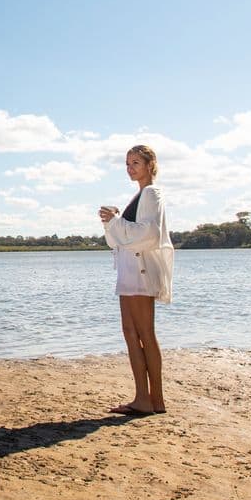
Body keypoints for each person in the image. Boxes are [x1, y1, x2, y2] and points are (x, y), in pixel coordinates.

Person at [98, 144, 174, 416]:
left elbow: (149, 234)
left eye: (136, 163)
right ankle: (143, 397)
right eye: (128, 164)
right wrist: (111, 222)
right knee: (131, 333)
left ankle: (156, 399)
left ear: (150, 165)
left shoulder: (152, 193)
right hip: (129, 271)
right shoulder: (140, 195)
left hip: (141, 271)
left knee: (145, 334)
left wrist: (117, 221)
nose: (130, 168)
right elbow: (118, 238)